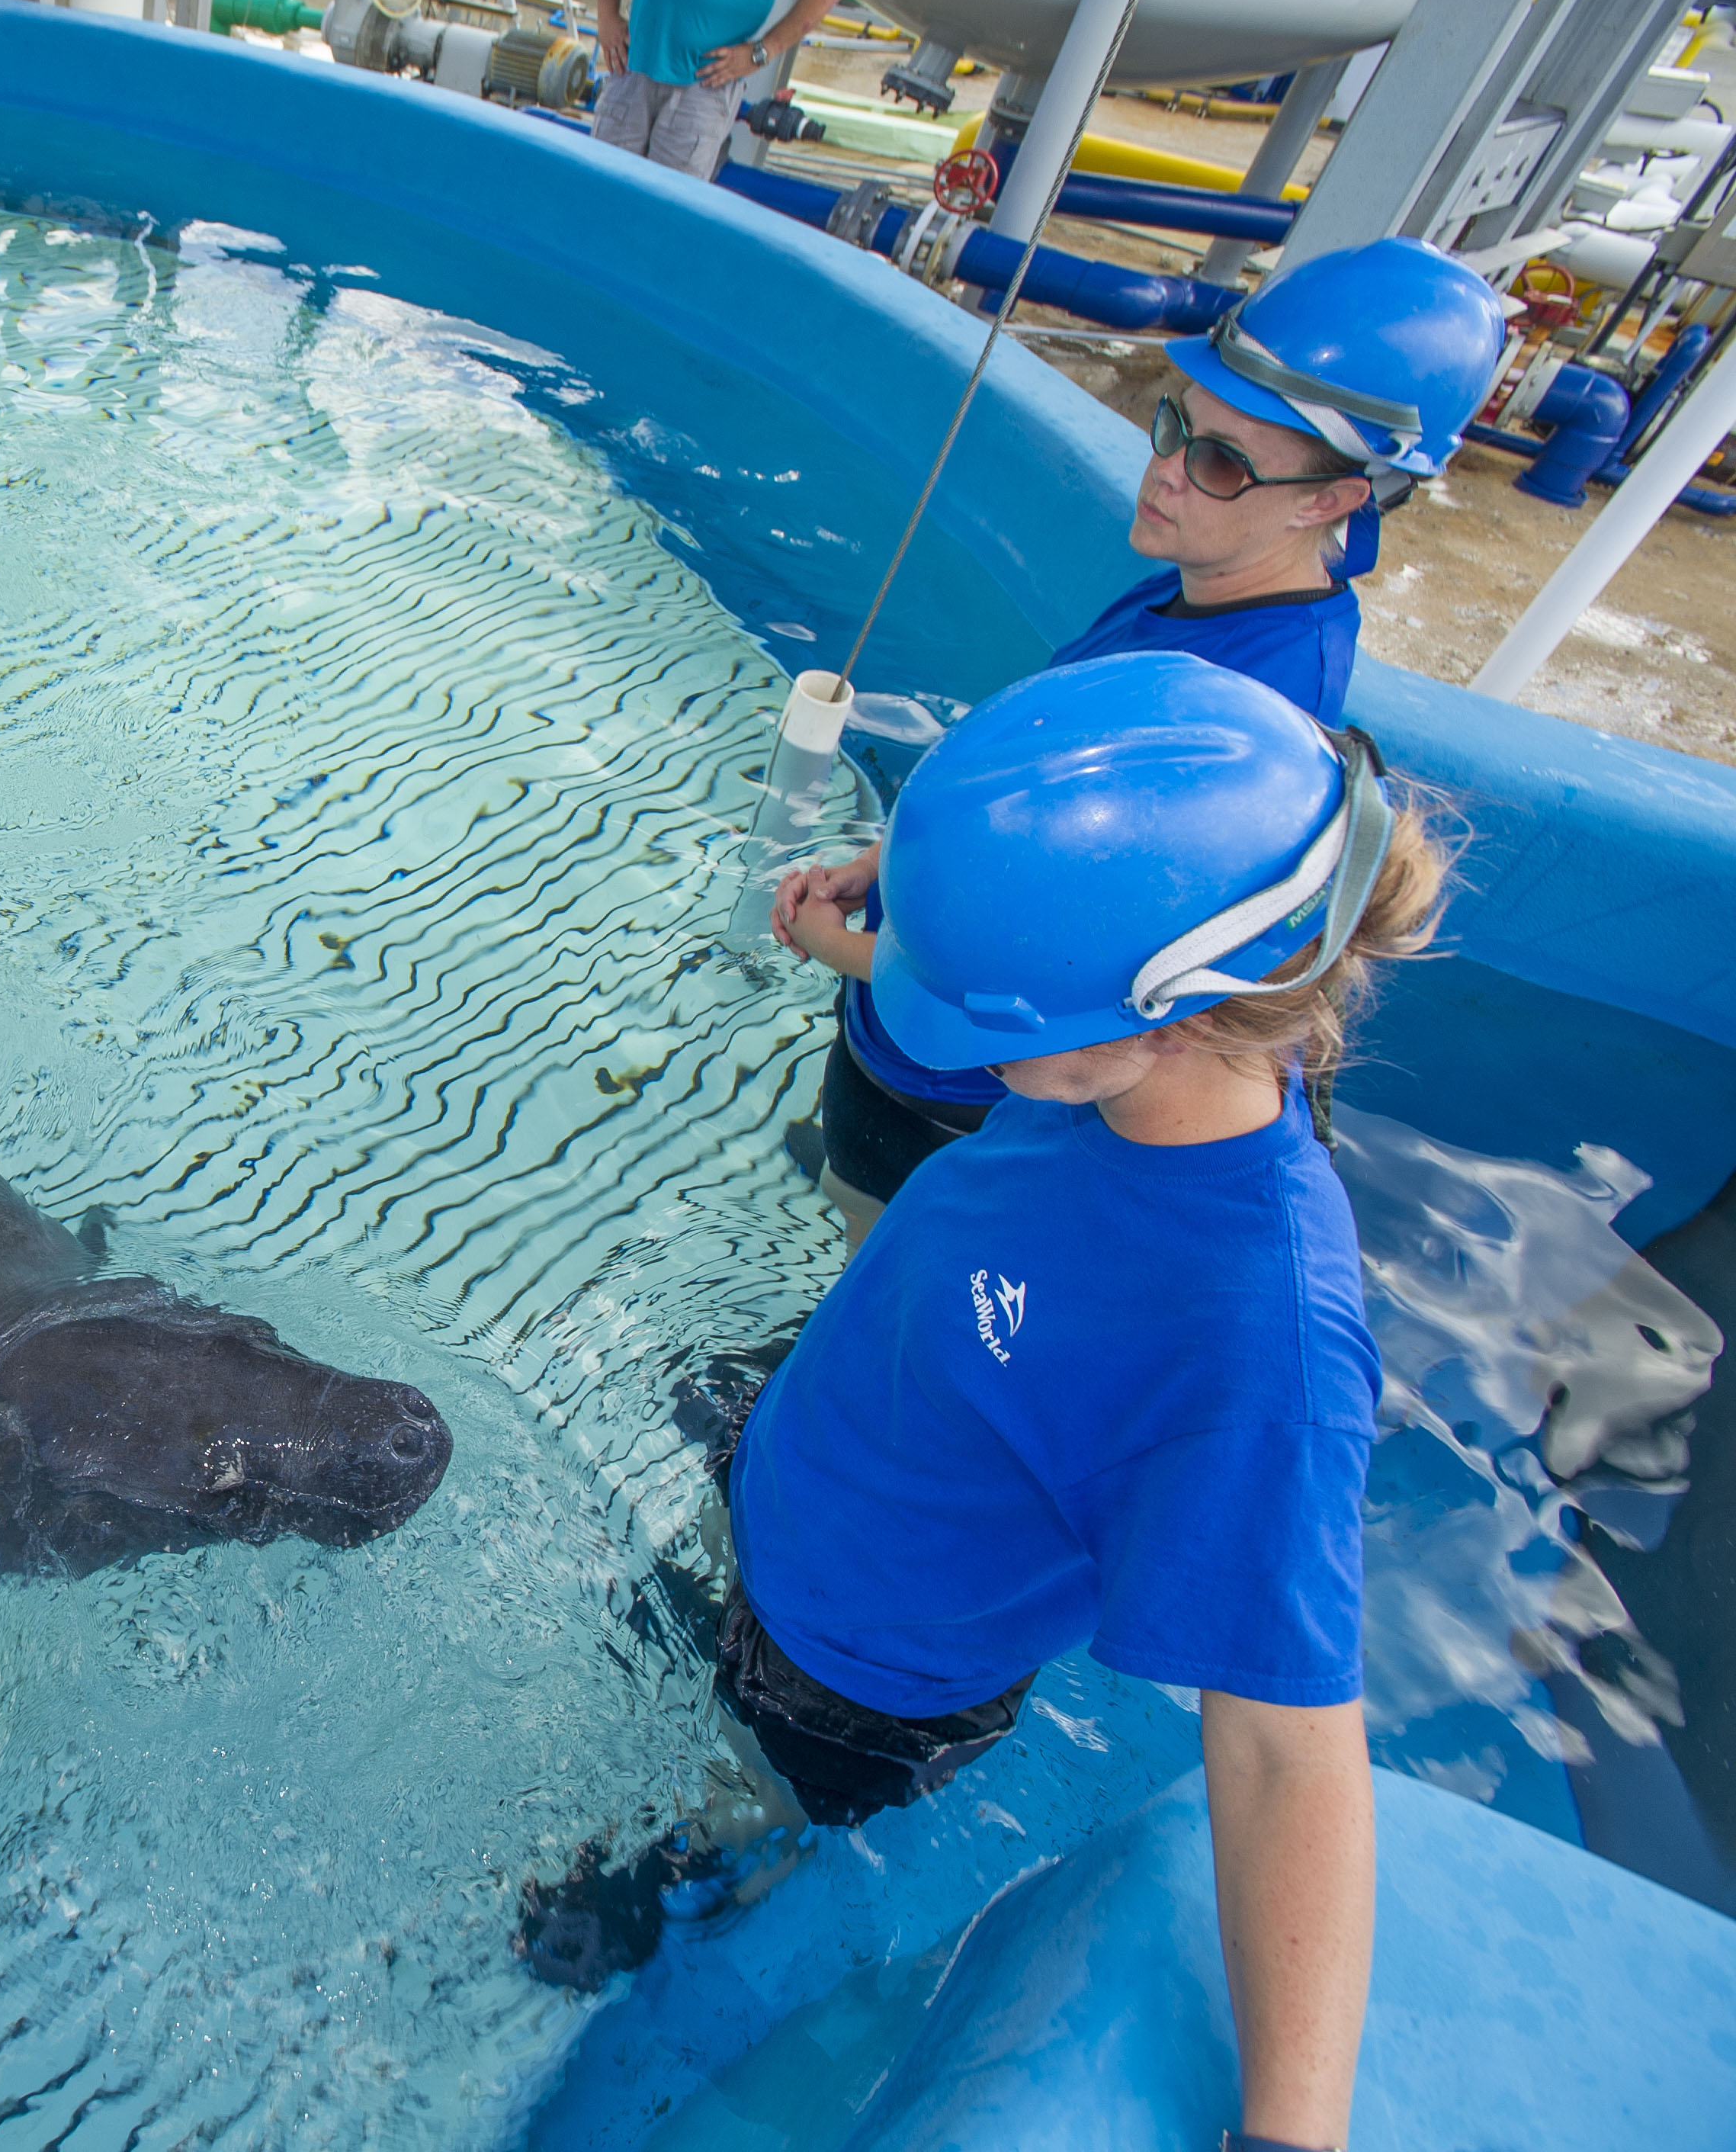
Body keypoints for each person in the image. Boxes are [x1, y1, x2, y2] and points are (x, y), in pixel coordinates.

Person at [522, 651, 1449, 2152]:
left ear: (1172, 1012)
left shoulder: (1253, 1345)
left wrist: (1290, 2132)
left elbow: (1286, 1748)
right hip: (832, 1447)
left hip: (856, 1676)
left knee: (652, 1862)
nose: (967, 1037)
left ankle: (680, 1882)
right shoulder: (1114, 1061)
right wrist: (931, 894)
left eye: (994, 1004)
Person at [770, 237, 1505, 1241]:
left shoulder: (1249, 711)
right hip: (916, 1025)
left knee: (876, 1262)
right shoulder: (1206, 583)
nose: (1165, 472)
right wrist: (877, 866)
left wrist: (842, 950)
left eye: (1219, 462)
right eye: (1175, 426)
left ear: (1336, 500)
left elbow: (1091, 991)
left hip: (955, 1080)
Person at [592, 0, 845, 178]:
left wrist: (764, 51)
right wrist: (606, 15)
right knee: (598, 195)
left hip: (703, 85)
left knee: (666, 216)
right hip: (631, 63)